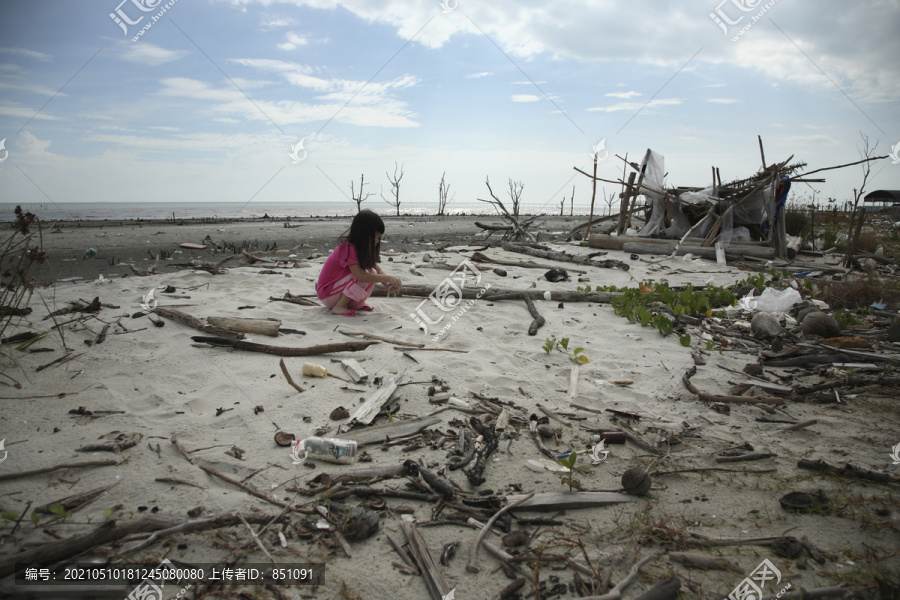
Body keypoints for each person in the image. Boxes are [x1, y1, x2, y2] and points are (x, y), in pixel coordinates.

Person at [316, 210, 402, 316]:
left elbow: (378, 270)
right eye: (374, 237)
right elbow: (360, 276)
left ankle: (356, 304)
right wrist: (388, 278)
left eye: (379, 238)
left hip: (335, 292)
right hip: (327, 294)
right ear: (362, 234)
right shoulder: (347, 248)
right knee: (365, 274)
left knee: (372, 271)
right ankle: (340, 306)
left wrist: (388, 285)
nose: (376, 241)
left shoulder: (363, 250)